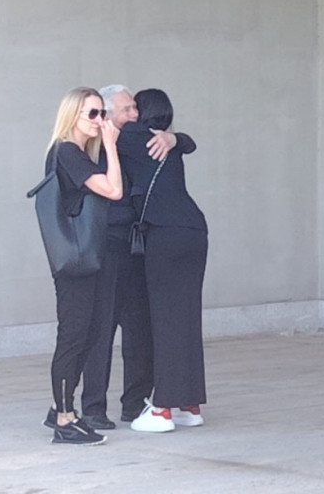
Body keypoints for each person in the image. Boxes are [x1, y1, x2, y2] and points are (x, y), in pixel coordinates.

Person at [78, 84, 197, 429]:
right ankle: (93, 409)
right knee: (101, 329)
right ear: (106, 115)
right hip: (106, 246)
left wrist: (174, 138)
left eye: (135, 108)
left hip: (139, 246)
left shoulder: (139, 140)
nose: (135, 114)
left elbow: (186, 143)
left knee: (140, 328)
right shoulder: (93, 147)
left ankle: (135, 404)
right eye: (127, 109)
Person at [117, 88, 208, 433]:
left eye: (133, 107)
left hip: (165, 235)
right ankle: (189, 405)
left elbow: (104, 133)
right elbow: (190, 143)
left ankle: (162, 409)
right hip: (193, 231)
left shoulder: (132, 136)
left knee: (165, 319)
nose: (130, 113)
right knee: (185, 319)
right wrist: (176, 137)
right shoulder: (163, 141)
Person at [42, 87, 123, 445]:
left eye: (102, 113)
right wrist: (111, 146)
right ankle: (64, 419)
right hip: (75, 260)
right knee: (74, 335)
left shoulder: (75, 154)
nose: (99, 121)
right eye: (92, 113)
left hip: (83, 258)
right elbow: (114, 190)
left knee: (87, 333)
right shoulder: (68, 152)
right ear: (72, 115)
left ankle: (59, 408)